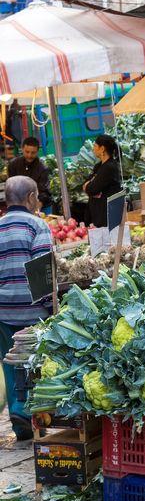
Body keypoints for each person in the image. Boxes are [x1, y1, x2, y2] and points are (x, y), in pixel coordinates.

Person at [0, 176, 53, 440]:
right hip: (32, 311)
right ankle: (37, 415)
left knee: (10, 361)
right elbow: (42, 273)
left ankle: (19, 417)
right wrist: (50, 307)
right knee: (35, 362)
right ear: (31, 197)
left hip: (3, 311)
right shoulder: (37, 225)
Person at [82, 135, 123, 228]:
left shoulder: (109, 167)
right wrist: (90, 184)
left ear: (102, 149)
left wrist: (89, 185)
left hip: (107, 214)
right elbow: (85, 184)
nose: (93, 149)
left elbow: (91, 189)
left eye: (95, 146)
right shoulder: (98, 166)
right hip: (98, 213)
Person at [7, 137, 51, 212]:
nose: (29, 155)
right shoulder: (13, 165)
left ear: (37, 151)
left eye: (33, 153)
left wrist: (39, 203)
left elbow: (44, 191)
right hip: (19, 206)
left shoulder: (43, 168)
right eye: (27, 152)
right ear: (22, 149)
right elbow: (11, 188)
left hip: (40, 206)